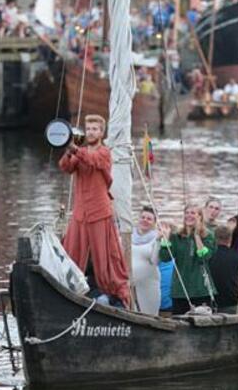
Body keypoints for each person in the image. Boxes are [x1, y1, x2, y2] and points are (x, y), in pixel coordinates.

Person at [58, 114, 131, 307]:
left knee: (106, 255)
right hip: (81, 212)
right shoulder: (79, 151)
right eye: (88, 129)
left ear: (101, 132)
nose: (90, 132)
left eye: (95, 129)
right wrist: (68, 151)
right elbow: (65, 167)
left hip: (99, 212)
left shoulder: (104, 152)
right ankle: (67, 289)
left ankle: (116, 294)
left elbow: (94, 160)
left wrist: (75, 149)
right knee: (72, 251)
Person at [159, 204, 217, 315]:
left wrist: (196, 236)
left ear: (200, 217)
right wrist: (165, 239)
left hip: (201, 289)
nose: (188, 216)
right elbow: (165, 257)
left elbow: (204, 257)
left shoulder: (208, 236)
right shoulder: (177, 236)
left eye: (193, 213)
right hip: (180, 291)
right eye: (186, 213)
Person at [208, 225, 238, 313]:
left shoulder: (208, 257)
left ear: (214, 239)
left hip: (211, 303)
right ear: (230, 239)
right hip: (232, 304)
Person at [131, 206, 161, 315]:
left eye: (149, 219)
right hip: (129, 283)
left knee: (149, 315)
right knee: (130, 313)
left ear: (154, 223)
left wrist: (158, 241)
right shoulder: (128, 234)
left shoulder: (156, 237)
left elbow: (155, 261)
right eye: (143, 217)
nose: (145, 220)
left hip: (149, 283)